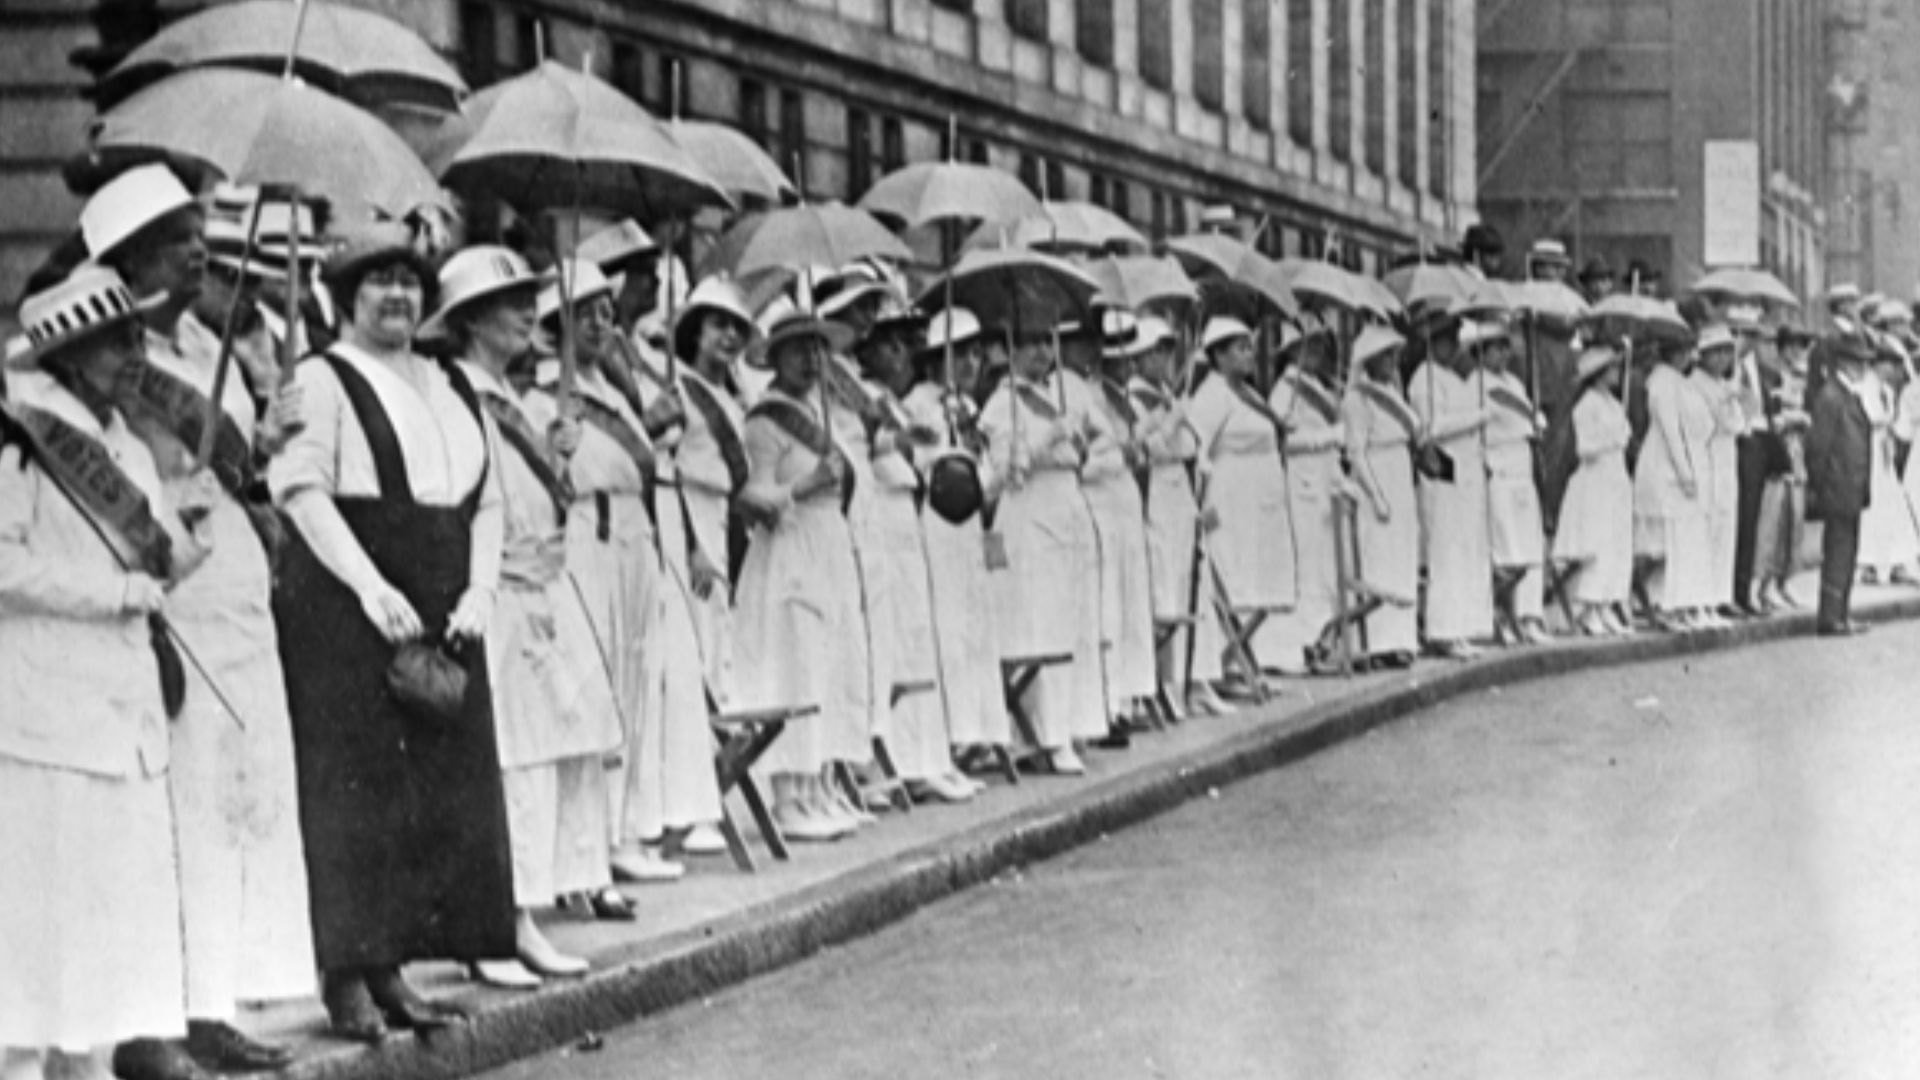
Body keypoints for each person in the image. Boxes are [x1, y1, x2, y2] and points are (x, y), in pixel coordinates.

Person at [87, 165, 316, 1071]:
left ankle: (214, 996)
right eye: (180, 239)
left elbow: (230, 464)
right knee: (184, 806)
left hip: (237, 590)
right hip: (174, 593)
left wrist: (262, 442)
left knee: (238, 803)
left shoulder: (196, 344)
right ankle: (162, 1016)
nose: (199, 252)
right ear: (133, 254)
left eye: (197, 236)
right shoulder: (112, 354)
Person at [270, 222, 516, 1041]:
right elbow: (300, 490)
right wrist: (369, 587)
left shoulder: (451, 380)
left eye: (410, 282)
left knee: (430, 791)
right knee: (357, 790)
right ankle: (346, 972)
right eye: (378, 281)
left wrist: (481, 587)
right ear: (345, 298)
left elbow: (487, 498)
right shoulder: (321, 378)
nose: (398, 296)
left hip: (444, 595)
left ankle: (395, 966)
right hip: (348, 599)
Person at [1, 266, 219, 1080]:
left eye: (134, 338)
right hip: (50, 702)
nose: (134, 355)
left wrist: (190, 531)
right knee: (47, 897)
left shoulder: (124, 440)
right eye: (114, 342)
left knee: (110, 899)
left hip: (121, 705)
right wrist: (112, 593)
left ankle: (83, 1058)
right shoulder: (21, 439)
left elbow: (156, 568)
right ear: (68, 355)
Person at [426, 247, 623, 988]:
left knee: (552, 755)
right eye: (510, 302)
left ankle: (524, 914)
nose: (526, 314)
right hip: (497, 594)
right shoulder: (456, 398)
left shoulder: (515, 400)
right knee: (510, 763)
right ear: (472, 320)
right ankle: (491, 923)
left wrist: (557, 454)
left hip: (544, 586)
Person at [524, 260, 689, 891]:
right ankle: (592, 847)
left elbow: (631, 457)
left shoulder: (614, 388)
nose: (599, 323)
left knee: (636, 681)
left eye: (604, 311)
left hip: (632, 534)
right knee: (601, 687)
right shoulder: (544, 392)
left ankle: (628, 830)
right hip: (587, 537)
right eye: (583, 311)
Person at [731, 309, 876, 833]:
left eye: (817, 348)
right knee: (797, 664)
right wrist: (805, 485)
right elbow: (751, 496)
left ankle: (822, 786)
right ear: (774, 357)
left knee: (834, 663)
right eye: (797, 349)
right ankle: (790, 796)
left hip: (829, 543)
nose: (809, 359)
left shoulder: (824, 412)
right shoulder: (765, 420)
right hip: (791, 546)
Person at [977, 327, 1107, 774]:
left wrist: (1075, 437)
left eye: (1044, 343)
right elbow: (1002, 474)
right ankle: (1045, 734)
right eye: (1029, 343)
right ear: (1009, 350)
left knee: (1074, 615)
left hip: (1067, 503)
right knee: (1040, 620)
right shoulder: (1003, 403)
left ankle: (1073, 722)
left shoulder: (1061, 395)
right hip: (1028, 514)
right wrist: (1047, 436)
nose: (1040, 352)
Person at [901, 309, 1010, 770]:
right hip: (939, 523)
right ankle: (954, 734)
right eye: (958, 353)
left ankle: (979, 730)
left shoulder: (968, 408)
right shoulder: (920, 404)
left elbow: (983, 473)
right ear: (933, 360)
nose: (969, 362)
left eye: (974, 353)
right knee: (950, 627)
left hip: (971, 528)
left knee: (975, 625)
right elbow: (927, 467)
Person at [1186, 316, 1298, 679]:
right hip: (1230, 496)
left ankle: (1250, 658)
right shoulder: (1212, 395)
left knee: (1261, 579)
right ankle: (1226, 662)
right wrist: (1201, 505)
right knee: (1234, 578)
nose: (1250, 355)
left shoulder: (1248, 392)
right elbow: (1198, 448)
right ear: (1218, 356)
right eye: (1240, 348)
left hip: (1259, 497)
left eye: (1251, 347)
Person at [1128, 316, 1230, 707]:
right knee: (1166, 583)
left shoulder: (1170, 393)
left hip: (1182, 491)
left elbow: (1190, 445)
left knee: (1194, 583)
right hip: (1156, 491)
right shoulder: (1135, 397)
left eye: (1169, 349)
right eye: (1156, 350)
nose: (1164, 358)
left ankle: (1198, 677)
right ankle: (1170, 681)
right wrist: (1170, 422)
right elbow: (1146, 449)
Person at [1063, 315, 1154, 732]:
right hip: (1096, 500)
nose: (1094, 351)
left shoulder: (1097, 389)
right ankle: (1108, 701)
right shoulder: (1063, 388)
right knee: (1106, 605)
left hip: (1121, 500)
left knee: (1127, 599)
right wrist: (1115, 452)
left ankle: (1128, 696)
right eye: (1084, 341)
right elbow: (1082, 458)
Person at [1409, 315, 1494, 657]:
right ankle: (1443, 628)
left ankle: (1463, 626)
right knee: (1447, 549)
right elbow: (1429, 428)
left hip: (1467, 467)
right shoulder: (1422, 379)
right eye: (1446, 340)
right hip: (1443, 469)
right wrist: (1477, 416)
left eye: (1455, 339)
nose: (1453, 346)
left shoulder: (1451, 377)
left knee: (1465, 548)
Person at [1266, 322, 1347, 672]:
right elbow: (1285, 444)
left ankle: (1322, 640)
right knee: (1308, 566)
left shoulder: (1317, 386)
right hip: (1302, 484)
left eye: (1318, 347)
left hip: (1325, 481)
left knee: (1326, 566)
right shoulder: (1284, 389)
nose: (1316, 354)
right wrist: (1328, 437)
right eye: (1308, 347)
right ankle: (1304, 642)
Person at [1340, 325, 1422, 666]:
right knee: (1378, 558)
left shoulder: (1394, 393)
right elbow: (1355, 452)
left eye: (1395, 355)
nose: (1392, 361)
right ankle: (1375, 641)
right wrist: (1376, 496)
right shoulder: (1357, 398)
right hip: (1377, 472)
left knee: (1401, 556)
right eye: (1386, 355)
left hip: (1399, 471)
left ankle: (1400, 638)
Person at [1472, 322, 1551, 645]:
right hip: (1499, 464)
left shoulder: (1514, 382)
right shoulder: (1477, 384)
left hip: (1522, 462)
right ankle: (1502, 615)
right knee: (1506, 548)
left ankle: (1530, 616)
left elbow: (1533, 418)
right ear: (1481, 351)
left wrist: (1537, 421)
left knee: (1530, 546)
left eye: (1506, 347)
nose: (1503, 354)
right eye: (1495, 348)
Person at [1633, 332, 1717, 631]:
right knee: (1663, 542)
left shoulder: (1680, 383)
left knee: (1684, 540)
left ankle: (1682, 604)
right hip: (1664, 466)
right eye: (1685, 352)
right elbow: (1671, 432)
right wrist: (1684, 472)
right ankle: (1654, 601)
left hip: (1686, 462)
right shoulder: (1661, 384)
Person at [1552, 346, 1635, 635]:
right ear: (1599, 374)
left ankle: (1606, 605)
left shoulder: (1613, 402)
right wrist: (1614, 438)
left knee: (1616, 544)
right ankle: (1589, 608)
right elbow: (1584, 448)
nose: (1617, 373)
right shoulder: (1586, 405)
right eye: (1612, 368)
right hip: (1596, 480)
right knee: (1599, 545)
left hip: (1615, 478)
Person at [1806, 335, 1875, 635]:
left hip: (1850, 485)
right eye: (1857, 361)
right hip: (1838, 485)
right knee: (1838, 550)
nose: (1862, 367)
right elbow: (1818, 447)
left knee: (1846, 551)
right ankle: (1831, 616)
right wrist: (1820, 486)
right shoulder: (1831, 397)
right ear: (1843, 363)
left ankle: (1840, 613)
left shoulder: (1846, 395)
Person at [1753, 327, 1814, 610]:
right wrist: (1793, 417)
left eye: (1800, 346)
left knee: (1795, 520)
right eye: (1790, 346)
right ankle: (1763, 580)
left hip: (1796, 451)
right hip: (1777, 451)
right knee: (1772, 521)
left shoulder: (1804, 376)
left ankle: (1784, 580)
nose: (1795, 352)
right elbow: (1770, 415)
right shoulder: (1770, 375)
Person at [1690, 326, 1747, 622]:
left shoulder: (1723, 384)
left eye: (1727, 352)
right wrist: (1728, 405)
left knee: (1726, 525)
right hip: (1708, 458)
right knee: (1708, 525)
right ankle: (1704, 597)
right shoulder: (1695, 384)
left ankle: (1720, 595)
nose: (1723, 359)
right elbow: (1715, 422)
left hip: (1727, 458)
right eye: (1716, 352)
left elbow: (1739, 422)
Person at [1854, 349, 1920, 583]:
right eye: (1890, 365)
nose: (1893, 371)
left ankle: (1894, 560)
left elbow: (1898, 424)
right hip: (1869, 447)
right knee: (1873, 503)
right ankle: (1869, 561)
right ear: (1879, 364)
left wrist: (1892, 431)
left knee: (1891, 503)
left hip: (1884, 450)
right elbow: (1869, 418)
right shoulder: (1864, 387)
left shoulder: (1888, 391)